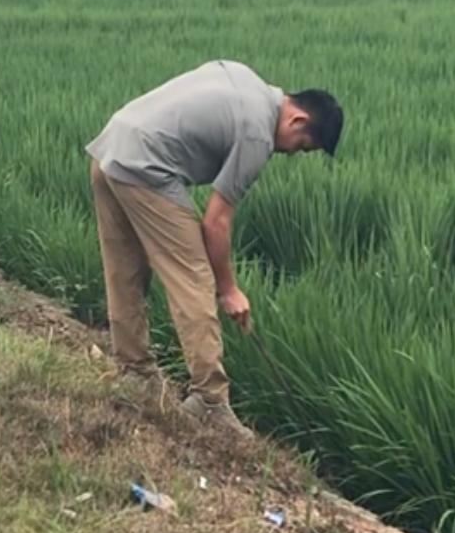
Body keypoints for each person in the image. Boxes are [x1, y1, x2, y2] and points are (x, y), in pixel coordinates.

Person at [86, 62, 343, 435]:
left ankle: (134, 372)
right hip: (145, 166)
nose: (290, 154)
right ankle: (209, 401)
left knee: (124, 269)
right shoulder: (258, 136)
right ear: (297, 121)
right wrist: (229, 289)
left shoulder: (245, 79)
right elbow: (216, 222)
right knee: (193, 278)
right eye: (301, 147)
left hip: (111, 147)